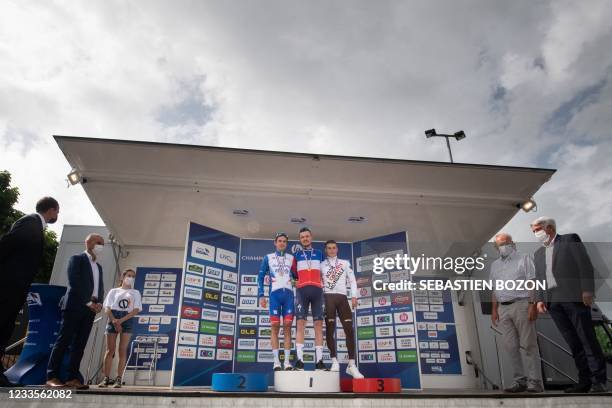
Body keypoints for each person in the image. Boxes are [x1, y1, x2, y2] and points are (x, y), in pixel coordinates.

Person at [531, 216, 607, 393]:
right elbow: (539, 278)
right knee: (573, 342)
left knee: (587, 339)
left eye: (537, 230)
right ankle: (584, 381)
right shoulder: (538, 253)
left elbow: (585, 265)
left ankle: (599, 381)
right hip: (553, 301)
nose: (536, 234)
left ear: (549, 228)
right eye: (533, 231)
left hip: (573, 297)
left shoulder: (569, 239)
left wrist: (587, 290)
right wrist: (540, 299)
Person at [0, 196, 59, 387]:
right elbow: (6, 245)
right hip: (9, 285)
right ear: (51, 210)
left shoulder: (34, 226)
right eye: (57, 211)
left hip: (16, 286)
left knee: (5, 326)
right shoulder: (30, 222)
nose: (57, 215)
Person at [46, 233, 105, 389]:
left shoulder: (98, 266)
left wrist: (98, 303)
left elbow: (99, 287)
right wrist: (87, 301)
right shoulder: (77, 259)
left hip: (91, 310)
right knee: (64, 341)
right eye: (99, 242)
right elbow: (74, 281)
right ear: (89, 242)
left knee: (80, 344)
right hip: (75, 306)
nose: (101, 246)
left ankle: (72, 377)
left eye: (103, 244)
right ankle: (52, 376)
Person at [489, 233, 542, 393]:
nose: (504, 246)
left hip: (522, 304)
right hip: (503, 308)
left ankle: (535, 382)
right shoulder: (495, 265)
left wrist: (532, 304)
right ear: (496, 248)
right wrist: (494, 310)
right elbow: (494, 289)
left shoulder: (524, 258)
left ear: (513, 243)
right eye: (500, 244)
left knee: (528, 344)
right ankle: (520, 381)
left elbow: (532, 281)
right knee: (510, 346)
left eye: (506, 243)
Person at [321, 240, 363, 378]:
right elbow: (318, 283)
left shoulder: (345, 263)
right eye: (329, 248)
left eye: (334, 248)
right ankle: (334, 361)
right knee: (330, 329)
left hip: (343, 298)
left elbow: (352, 280)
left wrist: (354, 296)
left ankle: (351, 364)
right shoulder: (321, 265)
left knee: (349, 329)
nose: (332, 250)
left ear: (337, 249)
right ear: (326, 250)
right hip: (328, 298)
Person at [98, 268, 142, 388]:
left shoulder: (135, 292)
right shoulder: (113, 291)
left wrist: (121, 321)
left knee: (122, 350)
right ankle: (105, 378)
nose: (131, 278)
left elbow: (136, 310)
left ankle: (118, 378)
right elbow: (107, 307)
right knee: (110, 350)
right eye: (129, 275)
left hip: (127, 319)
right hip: (113, 317)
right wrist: (114, 320)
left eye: (133, 276)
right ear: (123, 277)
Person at [258, 233, 295, 371]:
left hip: (289, 296)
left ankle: (286, 362)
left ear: (287, 244)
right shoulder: (268, 257)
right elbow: (260, 276)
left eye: (284, 241)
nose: (282, 243)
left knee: (287, 326)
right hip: (274, 295)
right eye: (280, 241)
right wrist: (261, 295)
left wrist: (295, 283)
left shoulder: (291, 258)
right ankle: (276, 362)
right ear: (275, 242)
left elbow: (297, 277)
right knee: (274, 326)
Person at [291, 227, 325, 370]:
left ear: (311, 237)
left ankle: (319, 361)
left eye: (307, 236)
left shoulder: (319, 254)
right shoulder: (296, 256)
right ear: (300, 240)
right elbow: (292, 275)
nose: (305, 239)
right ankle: (300, 360)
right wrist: (294, 282)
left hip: (317, 291)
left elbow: (325, 272)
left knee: (318, 326)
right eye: (302, 237)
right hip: (302, 292)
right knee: (300, 324)